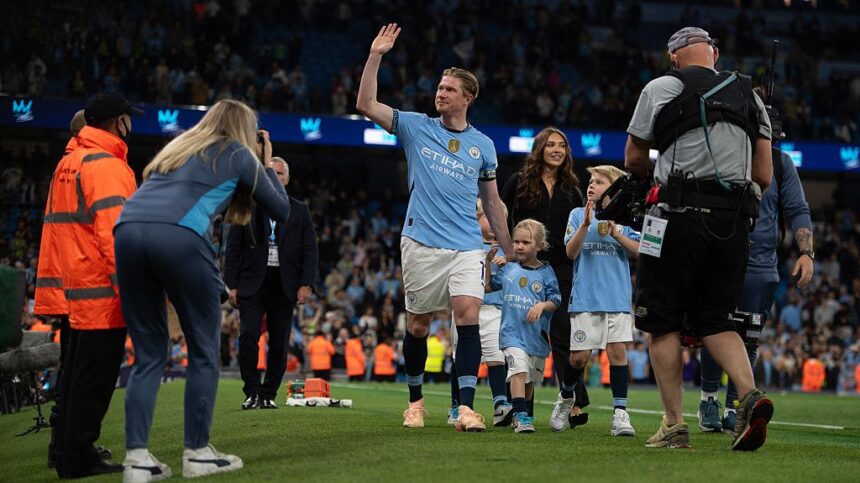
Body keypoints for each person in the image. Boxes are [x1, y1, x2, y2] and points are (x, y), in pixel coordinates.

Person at [115, 99, 291, 480]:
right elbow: (282, 210)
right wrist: (265, 162)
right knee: (204, 352)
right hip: (179, 236)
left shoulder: (177, 148)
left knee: (148, 355)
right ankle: (197, 453)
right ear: (245, 130)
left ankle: (136, 460)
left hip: (126, 233)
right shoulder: (239, 154)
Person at [356, 23, 513, 432]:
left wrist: (509, 249)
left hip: (467, 245)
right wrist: (375, 55)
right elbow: (366, 104)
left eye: (449, 89)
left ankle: (465, 408)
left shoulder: (483, 145)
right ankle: (416, 403)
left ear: (467, 98)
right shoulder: (415, 126)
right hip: (421, 242)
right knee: (418, 326)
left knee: (468, 317)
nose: (440, 93)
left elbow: (492, 203)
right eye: (439, 87)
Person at [624, 27, 774, 451]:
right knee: (716, 320)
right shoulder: (751, 96)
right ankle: (749, 396)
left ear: (673, 57)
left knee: (661, 322)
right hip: (733, 225)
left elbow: (633, 158)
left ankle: (674, 425)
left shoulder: (660, 88)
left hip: (676, 217)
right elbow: (763, 175)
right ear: (715, 54)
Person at [48, 94, 141, 478]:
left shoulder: (69, 161)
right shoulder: (107, 166)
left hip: (73, 289)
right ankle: (78, 456)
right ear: (119, 122)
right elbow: (116, 236)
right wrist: (131, 291)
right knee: (93, 380)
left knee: (74, 377)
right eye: (129, 119)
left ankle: (64, 450)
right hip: (101, 294)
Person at [698, 142, 813, 432]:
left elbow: (797, 207)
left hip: (760, 267)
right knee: (714, 328)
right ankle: (708, 399)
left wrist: (806, 252)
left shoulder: (780, 162)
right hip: (720, 257)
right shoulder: (722, 148)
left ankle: (734, 408)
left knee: (748, 338)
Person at [35, 108, 111, 469]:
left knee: (71, 370)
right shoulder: (86, 164)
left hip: (65, 284)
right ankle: (69, 447)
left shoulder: (63, 166)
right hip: (83, 284)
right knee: (80, 373)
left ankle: (62, 445)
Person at [500, 127, 590, 432]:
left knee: (564, 334)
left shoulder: (572, 189)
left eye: (562, 145)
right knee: (524, 335)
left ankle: (573, 401)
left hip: (562, 269)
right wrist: (507, 251)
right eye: (550, 144)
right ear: (539, 148)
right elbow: (501, 215)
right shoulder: (519, 182)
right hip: (525, 269)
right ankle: (519, 406)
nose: (557, 150)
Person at [225, 156, 318, 410]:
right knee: (248, 335)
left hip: (284, 284)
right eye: (270, 173)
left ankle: (268, 393)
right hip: (252, 283)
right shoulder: (248, 206)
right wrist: (231, 285)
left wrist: (306, 283)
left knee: (279, 340)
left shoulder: (299, 209)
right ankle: (251, 391)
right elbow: (233, 248)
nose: (274, 178)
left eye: (279, 174)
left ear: (286, 179)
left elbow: (310, 249)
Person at [564, 165, 641, 437]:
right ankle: (566, 396)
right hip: (585, 298)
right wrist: (586, 225)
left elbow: (643, 252)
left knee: (618, 353)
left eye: (599, 182)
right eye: (591, 181)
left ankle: (620, 414)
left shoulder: (627, 219)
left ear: (614, 189)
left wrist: (618, 233)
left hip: (617, 299)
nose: (591, 185)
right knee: (579, 358)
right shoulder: (577, 215)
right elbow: (570, 253)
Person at [487, 219, 560, 433]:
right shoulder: (508, 268)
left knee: (529, 379)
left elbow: (556, 300)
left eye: (526, 242)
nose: (519, 246)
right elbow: (489, 287)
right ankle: (519, 416)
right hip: (511, 334)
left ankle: (523, 411)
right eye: (516, 241)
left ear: (539, 245)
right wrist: (488, 263)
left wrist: (541, 305)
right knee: (518, 371)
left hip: (536, 337)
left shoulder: (547, 272)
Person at [448, 200, 512, 427]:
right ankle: (457, 405)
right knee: (460, 357)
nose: (496, 224)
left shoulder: (506, 251)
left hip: (495, 310)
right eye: (491, 218)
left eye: (500, 219)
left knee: (497, 357)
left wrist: (506, 265)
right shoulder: (466, 246)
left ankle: (500, 404)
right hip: (465, 310)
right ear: (477, 217)